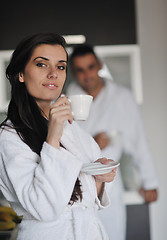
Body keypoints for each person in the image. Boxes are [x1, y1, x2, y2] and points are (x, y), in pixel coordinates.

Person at [0, 33, 118, 240]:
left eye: (61, 66)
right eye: (41, 65)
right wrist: (52, 138)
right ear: (21, 74)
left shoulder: (72, 129)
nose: (54, 73)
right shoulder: (9, 136)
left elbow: (87, 197)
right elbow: (43, 208)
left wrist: (100, 179)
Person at [66, 44, 159, 240]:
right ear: (74, 72)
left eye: (91, 67)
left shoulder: (122, 98)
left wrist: (149, 182)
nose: (87, 75)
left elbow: (138, 140)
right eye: (80, 70)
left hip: (108, 184)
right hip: (73, 184)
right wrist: (94, 143)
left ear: (99, 65)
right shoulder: (68, 97)